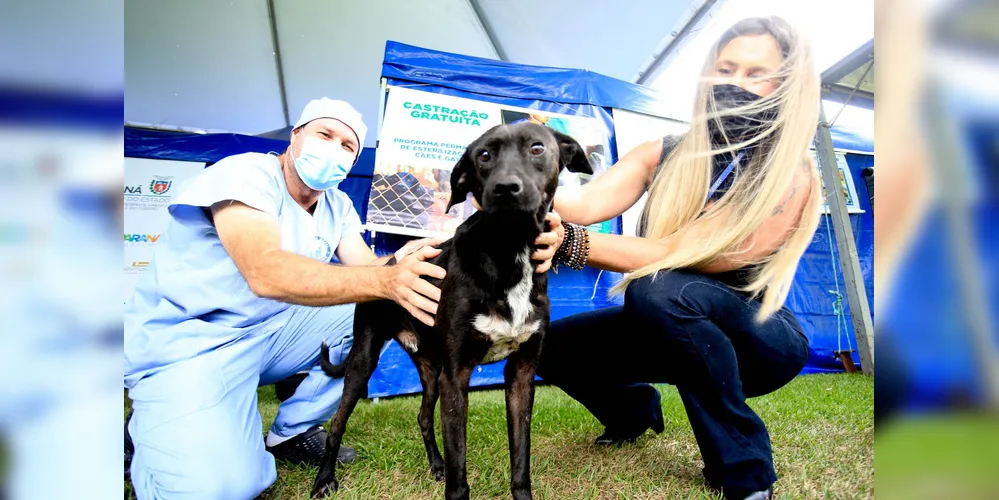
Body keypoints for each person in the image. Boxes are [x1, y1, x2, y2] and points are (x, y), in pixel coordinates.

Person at [538, 17, 823, 500]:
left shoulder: (789, 172)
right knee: (545, 343)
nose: (734, 82)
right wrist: (517, 181)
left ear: (787, 86)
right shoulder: (664, 151)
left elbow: (682, 253)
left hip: (758, 340)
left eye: (756, 73)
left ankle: (745, 472)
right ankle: (633, 410)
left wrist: (570, 243)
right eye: (726, 68)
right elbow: (584, 205)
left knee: (660, 289)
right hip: (663, 324)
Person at [124, 98, 455, 499]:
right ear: (296, 135)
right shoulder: (246, 174)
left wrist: (403, 259)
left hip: (272, 334)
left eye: (348, 146)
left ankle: (291, 432)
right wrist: (386, 281)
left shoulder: (337, 204)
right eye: (325, 134)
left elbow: (366, 268)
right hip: (193, 343)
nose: (335, 149)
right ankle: (148, 428)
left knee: (377, 313)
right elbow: (264, 272)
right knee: (217, 489)